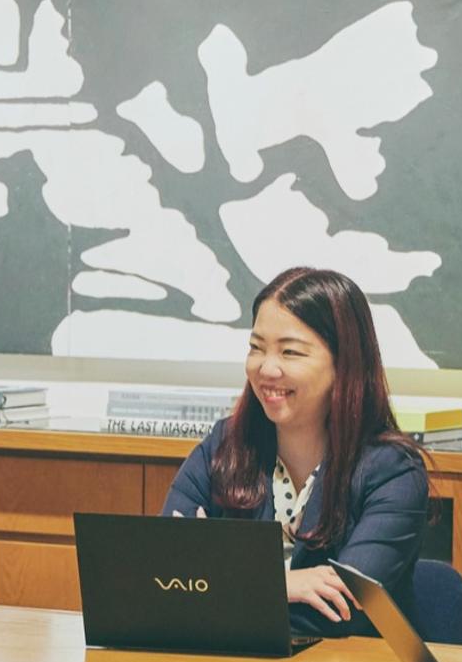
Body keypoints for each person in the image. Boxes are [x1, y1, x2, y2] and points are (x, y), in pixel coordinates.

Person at [160, 266, 429, 637]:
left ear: (343, 363)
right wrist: (283, 584)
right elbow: (164, 580)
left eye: (290, 352)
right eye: (256, 348)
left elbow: (340, 614)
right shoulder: (225, 447)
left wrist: (218, 581)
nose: (267, 368)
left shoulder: (394, 472)